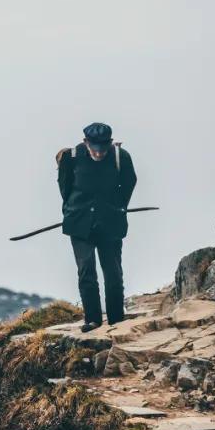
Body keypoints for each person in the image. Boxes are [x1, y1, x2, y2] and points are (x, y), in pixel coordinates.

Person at [56, 122, 137, 332]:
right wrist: (73, 210)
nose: (99, 152)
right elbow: (65, 188)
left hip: (110, 223)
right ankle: (92, 319)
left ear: (110, 143)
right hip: (79, 224)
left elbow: (129, 184)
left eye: (103, 147)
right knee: (86, 271)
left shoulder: (121, 157)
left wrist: (118, 208)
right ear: (86, 142)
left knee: (113, 272)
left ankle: (116, 319)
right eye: (95, 147)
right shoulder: (71, 158)